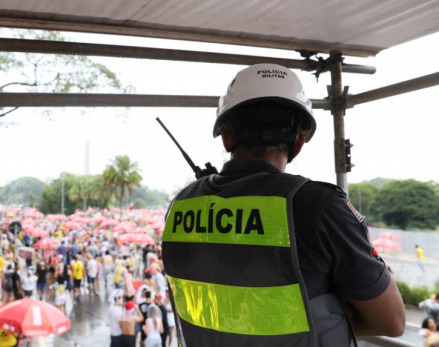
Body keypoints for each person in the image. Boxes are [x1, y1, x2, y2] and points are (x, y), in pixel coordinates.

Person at [161, 63, 405, 346]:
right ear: (299, 142)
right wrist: (331, 313)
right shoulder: (319, 207)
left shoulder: (180, 206)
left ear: (227, 137)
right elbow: (393, 321)